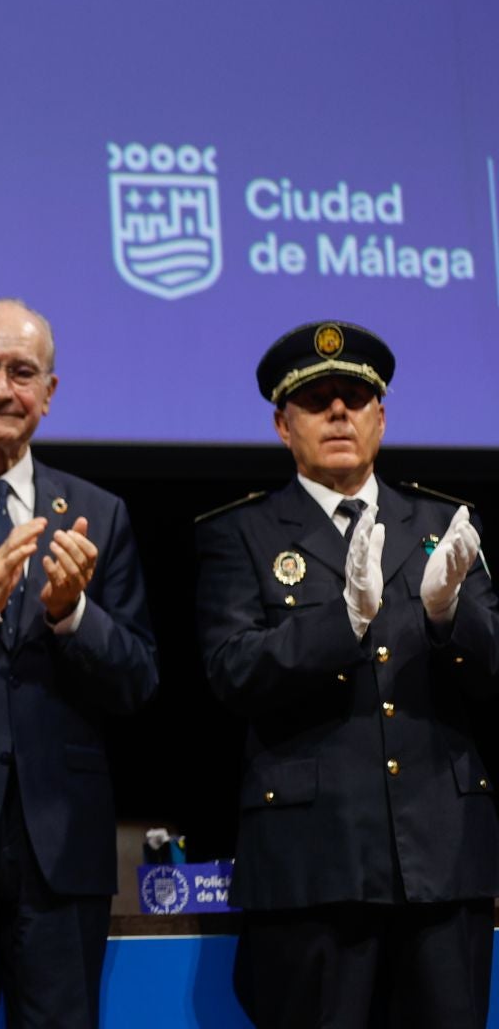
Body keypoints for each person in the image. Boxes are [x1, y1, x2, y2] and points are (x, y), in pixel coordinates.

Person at [195, 320, 497, 1029]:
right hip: (314, 866)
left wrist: (453, 615)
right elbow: (231, 670)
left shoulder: (445, 522)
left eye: (355, 398)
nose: (338, 412)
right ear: (282, 423)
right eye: (317, 399)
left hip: (442, 859)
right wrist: (344, 622)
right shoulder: (239, 533)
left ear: (381, 417)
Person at [0, 299, 158, 1028]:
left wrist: (72, 614)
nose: (1, 390)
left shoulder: (97, 514)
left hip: (64, 847)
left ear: (49, 394)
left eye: (22, 373)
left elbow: (138, 679)